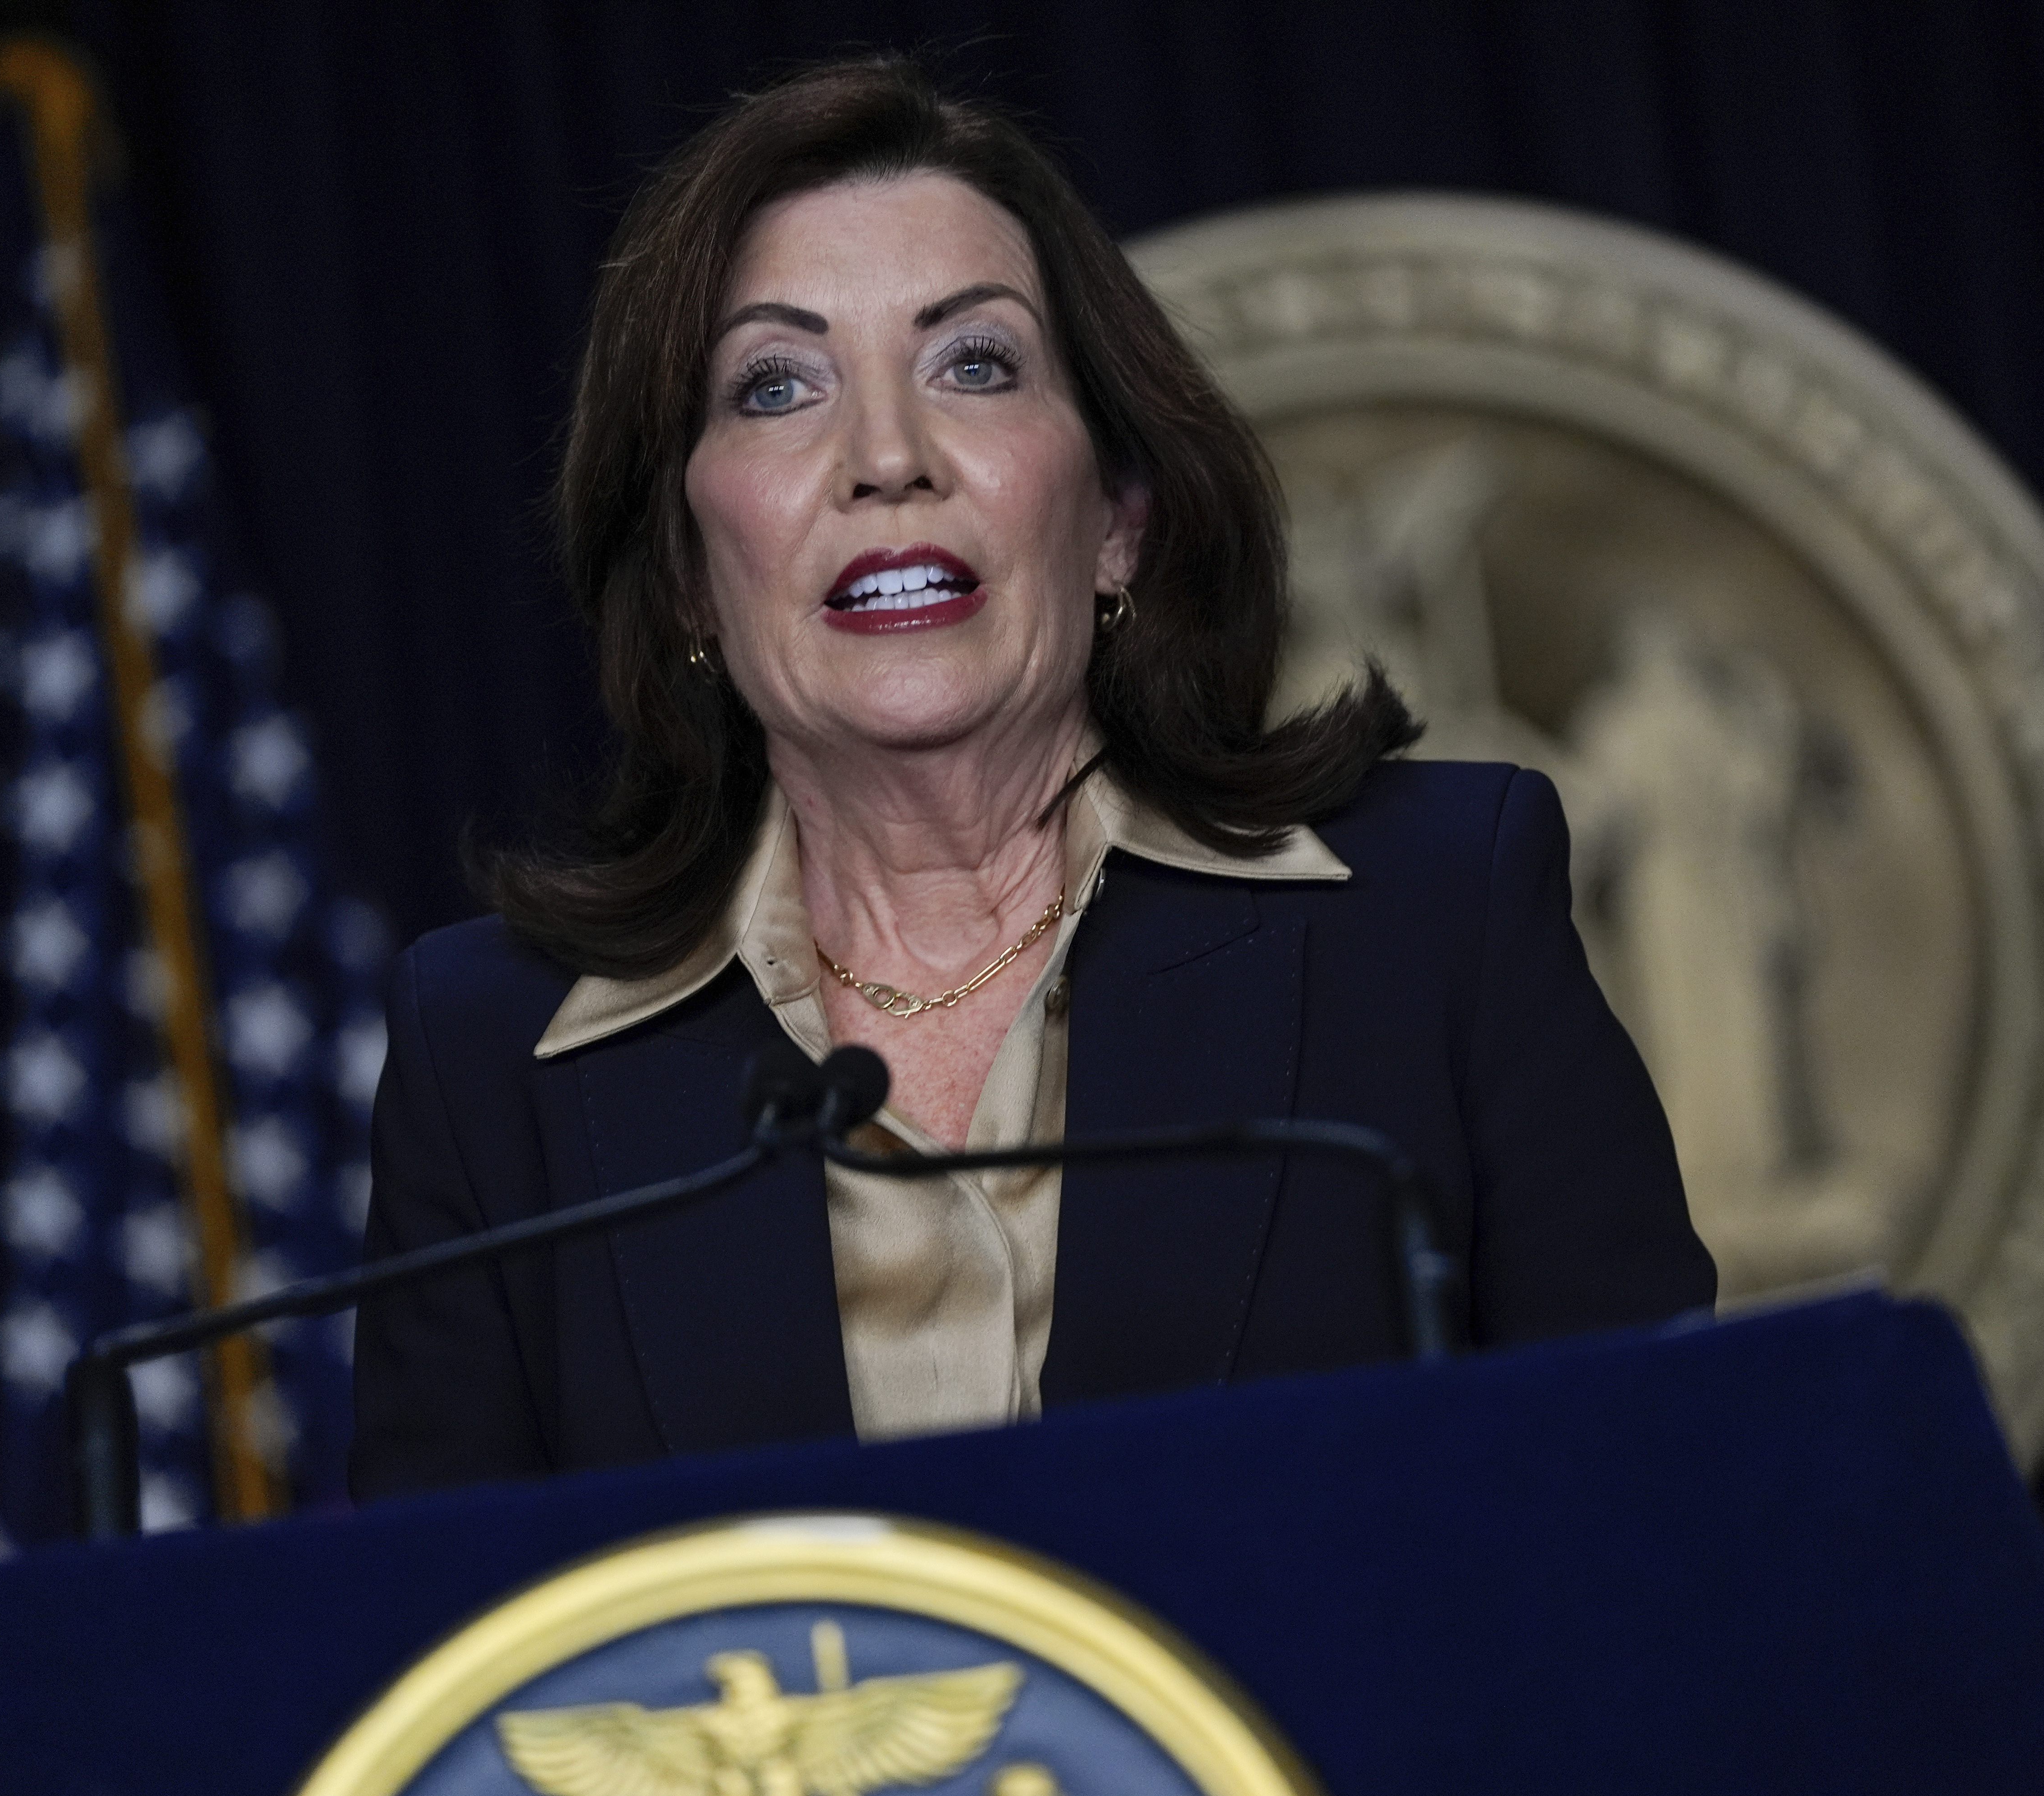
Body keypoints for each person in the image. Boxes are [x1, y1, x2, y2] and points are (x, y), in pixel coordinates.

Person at [349, 57, 1713, 1502]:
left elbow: (1666, 1524)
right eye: (776, 385)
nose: (886, 457)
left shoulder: (1442, 915)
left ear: (1118, 519)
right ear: (688, 572)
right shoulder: (491, 1054)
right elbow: (442, 1674)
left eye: (974, 364)